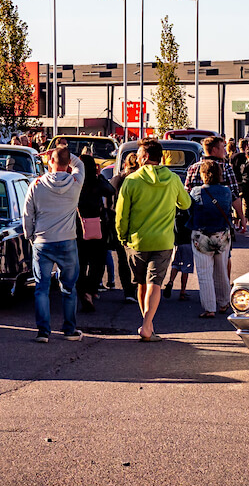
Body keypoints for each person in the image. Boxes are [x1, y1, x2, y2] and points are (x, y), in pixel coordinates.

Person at [115, 138, 192, 342]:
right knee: (155, 283)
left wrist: (122, 236)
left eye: (139, 154)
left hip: (137, 241)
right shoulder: (173, 179)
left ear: (146, 157)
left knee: (141, 283)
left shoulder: (131, 180)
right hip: (164, 240)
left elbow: (121, 214)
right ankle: (148, 324)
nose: (137, 157)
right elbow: (185, 204)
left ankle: (146, 323)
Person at [23, 144, 85, 343]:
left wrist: (30, 236)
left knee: (41, 287)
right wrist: (62, 155)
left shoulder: (37, 184)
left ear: (50, 162)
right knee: (69, 287)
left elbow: (27, 214)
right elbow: (77, 163)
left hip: (43, 240)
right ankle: (69, 330)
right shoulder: (76, 181)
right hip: (67, 240)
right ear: (67, 165)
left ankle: (43, 331)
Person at [189, 161, 234, 317]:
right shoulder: (227, 191)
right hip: (222, 233)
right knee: (221, 269)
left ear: (203, 174)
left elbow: (190, 210)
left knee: (204, 272)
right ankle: (224, 302)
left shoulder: (196, 191)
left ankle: (209, 308)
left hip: (202, 234)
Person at [75, 153, 114, 313]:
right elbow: (110, 190)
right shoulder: (97, 182)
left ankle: (82, 291)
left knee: (80, 262)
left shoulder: (76, 181)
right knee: (98, 261)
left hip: (78, 225)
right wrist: (100, 176)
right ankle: (91, 290)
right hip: (97, 224)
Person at [184, 137, 245, 230]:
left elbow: (187, 194)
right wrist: (242, 217)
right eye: (222, 147)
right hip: (220, 222)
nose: (224, 151)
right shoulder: (225, 168)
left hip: (199, 222)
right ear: (214, 150)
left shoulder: (194, 168)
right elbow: (234, 196)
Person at [110, 152, 140, 304]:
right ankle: (136, 288)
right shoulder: (140, 180)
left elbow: (110, 200)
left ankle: (128, 290)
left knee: (123, 258)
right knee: (139, 257)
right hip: (138, 223)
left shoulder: (118, 179)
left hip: (120, 221)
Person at [163, 206, 193, 302]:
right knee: (186, 267)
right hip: (187, 242)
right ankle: (182, 292)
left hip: (176, 242)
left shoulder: (174, 210)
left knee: (175, 264)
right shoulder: (189, 211)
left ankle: (171, 281)